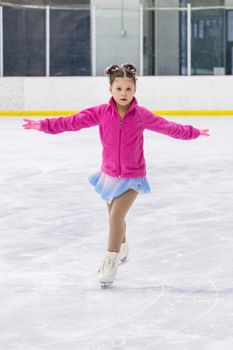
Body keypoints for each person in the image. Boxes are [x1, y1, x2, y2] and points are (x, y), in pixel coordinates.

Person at [22, 63, 210, 288]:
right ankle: (123, 246)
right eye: (119, 88)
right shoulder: (101, 112)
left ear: (135, 90)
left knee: (115, 217)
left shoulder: (141, 115)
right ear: (110, 89)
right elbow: (71, 121)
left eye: (128, 89)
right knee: (115, 216)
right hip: (109, 175)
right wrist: (44, 125)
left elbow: (168, 127)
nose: (124, 93)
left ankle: (110, 262)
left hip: (132, 176)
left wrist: (193, 132)